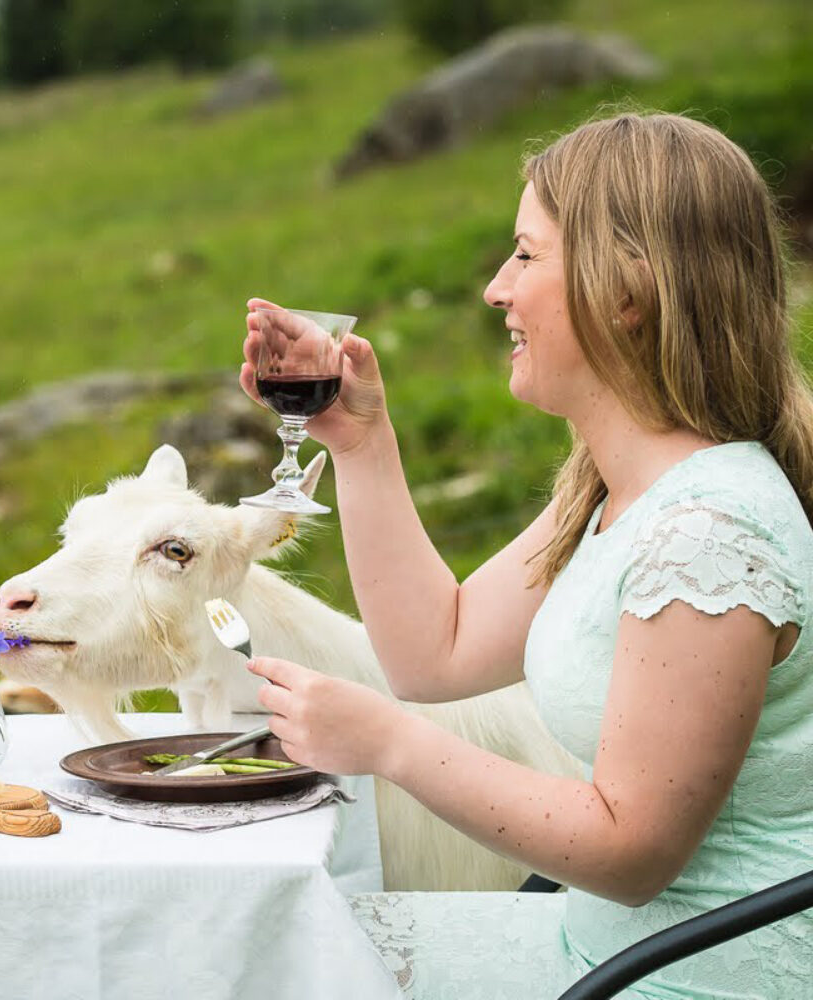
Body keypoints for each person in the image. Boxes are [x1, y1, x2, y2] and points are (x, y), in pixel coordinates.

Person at [240, 112, 813, 998]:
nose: (495, 290)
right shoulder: (617, 489)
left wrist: (388, 743)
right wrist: (358, 442)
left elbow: (629, 853)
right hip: (604, 950)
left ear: (626, 290)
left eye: (526, 255)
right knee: (264, 963)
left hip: (687, 980)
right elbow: (437, 651)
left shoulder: (709, 534)